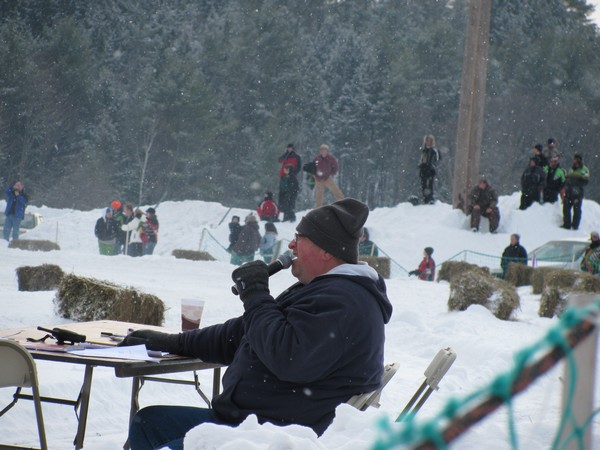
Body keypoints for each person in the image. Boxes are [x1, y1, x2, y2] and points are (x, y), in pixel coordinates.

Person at [120, 198, 393, 449]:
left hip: (278, 437)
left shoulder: (344, 300)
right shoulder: (320, 290)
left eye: (299, 238)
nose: (290, 245)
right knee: (149, 422)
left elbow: (288, 356)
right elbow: (243, 333)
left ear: (325, 251)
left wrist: (256, 294)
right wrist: (173, 342)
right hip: (251, 423)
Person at [561, 153, 590, 230]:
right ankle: (567, 224)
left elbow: (585, 182)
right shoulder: (571, 169)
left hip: (577, 192)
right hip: (569, 192)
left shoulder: (584, 170)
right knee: (566, 208)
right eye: (574, 160)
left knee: (577, 209)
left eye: (576, 160)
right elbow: (567, 179)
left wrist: (576, 183)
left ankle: (575, 225)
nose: (574, 161)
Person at [418, 135, 441, 205]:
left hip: (431, 170)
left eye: (430, 141)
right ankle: (425, 198)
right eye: (427, 141)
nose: (429, 143)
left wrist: (431, 166)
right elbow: (421, 160)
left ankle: (430, 198)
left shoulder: (434, 151)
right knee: (424, 185)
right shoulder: (423, 151)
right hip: (423, 170)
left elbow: (437, 161)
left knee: (430, 185)